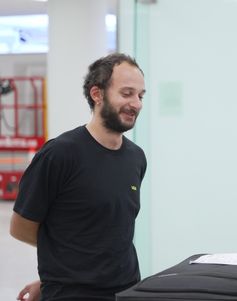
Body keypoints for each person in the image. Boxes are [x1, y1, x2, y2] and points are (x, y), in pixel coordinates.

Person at [10, 53, 147, 301]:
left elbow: (106, 230)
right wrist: (61, 272)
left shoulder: (136, 158)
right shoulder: (59, 154)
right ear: (97, 95)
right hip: (72, 294)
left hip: (127, 290)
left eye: (140, 95)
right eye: (127, 94)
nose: (136, 103)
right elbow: (21, 227)